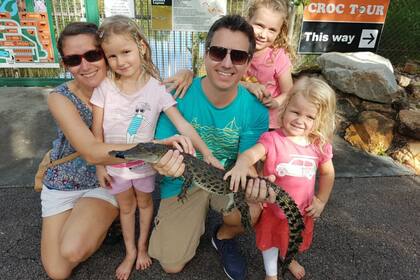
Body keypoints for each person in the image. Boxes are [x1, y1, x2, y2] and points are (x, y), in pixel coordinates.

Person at [40, 21, 193, 280]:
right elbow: (92, 151)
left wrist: (188, 70)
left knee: (72, 251)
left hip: (106, 180)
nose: (85, 65)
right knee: (57, 271)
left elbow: (145, 61)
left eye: (92, 55)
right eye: (74, 60)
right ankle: (97, 224)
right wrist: (152, 148)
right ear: (65, 64)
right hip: (66, 181)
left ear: (103, 52)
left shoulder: (122, 82)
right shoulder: (61, 97)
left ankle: (105, 225)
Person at [90, 15, 222, 280]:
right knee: (126, 209)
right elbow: (97, 130)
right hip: (116, 165)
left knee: (145, 204)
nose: (120, 61)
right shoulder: (104, 87)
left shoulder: (156, 89)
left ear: (141, 45)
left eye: (125, 51)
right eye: (112, 56)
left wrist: (207, 153)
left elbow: (182, 125)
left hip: (144, 165)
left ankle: (142, 248)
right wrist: (99, 165)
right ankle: (129, 253)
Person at [148, 15, 275, 280]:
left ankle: (223, 235)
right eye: (218, 52)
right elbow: (162, 152)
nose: (227, 63)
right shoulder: (177, 95)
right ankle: (192, 221)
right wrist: (162, 166)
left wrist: (256, 184)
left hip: (226, 180)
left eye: (238, 56)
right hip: (183, 183)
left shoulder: (255, 110)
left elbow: (248, 160)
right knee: (171, 264)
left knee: (251, 209)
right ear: (206, 55)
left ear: (248, 63)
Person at [224, 76, 336, 279]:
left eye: (310, 117)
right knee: (270, 242)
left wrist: (321, 201)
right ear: (284, 108)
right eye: (295, 111)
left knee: (292, 238)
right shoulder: (272, 139)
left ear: (321, 120)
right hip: (273, 210)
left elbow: (328, 173)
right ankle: (271, 273)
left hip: (302, 210)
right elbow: (251, 154)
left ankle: (289, 258)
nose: (300, 120)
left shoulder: (319, 145)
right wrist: (242, 163)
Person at [241, 0, 294, 129]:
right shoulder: (235, 50)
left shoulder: (278, 57)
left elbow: (290, 92)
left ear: (279, 32)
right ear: (248, 20)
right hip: (241, 118)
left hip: (269, 123)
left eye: (272, 30)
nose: (263, 35)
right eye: (259, 25)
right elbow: (225, 81)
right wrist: (248, 86)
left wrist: (276, 102)